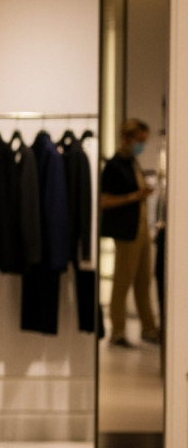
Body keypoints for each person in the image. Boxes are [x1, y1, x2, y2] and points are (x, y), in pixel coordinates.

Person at [100, 117, 159, 348]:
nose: (141, 145)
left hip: (141, 230)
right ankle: (118, 330)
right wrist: (134, 196)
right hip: (126, 232)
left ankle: (149, 328)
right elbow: (105, 201)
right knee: (122, 282)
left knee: (143, 282)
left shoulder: (133, 163)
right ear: (126, 138)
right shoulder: (114, 166)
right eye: (139, 140)